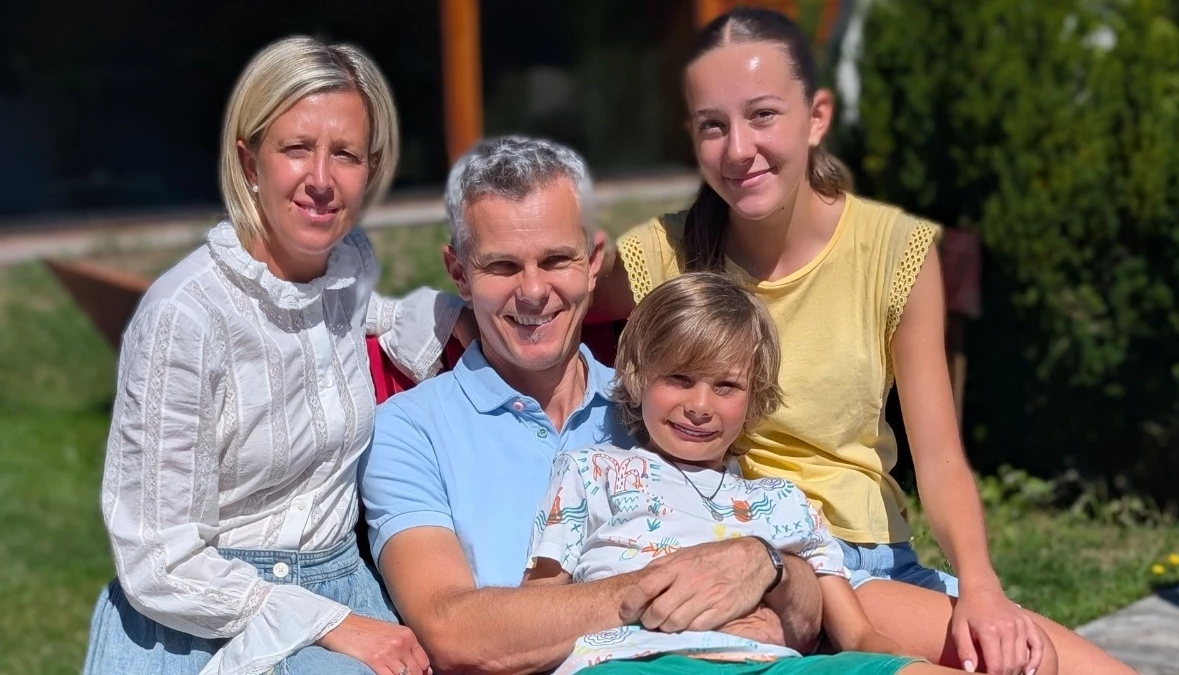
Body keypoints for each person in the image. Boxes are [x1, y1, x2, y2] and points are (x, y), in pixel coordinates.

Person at [588, 8, 1134, 675]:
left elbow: (939, 458)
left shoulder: (893, 250)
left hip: (880, 556)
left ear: (816, 117)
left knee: (1068, 665)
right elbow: (544, 294)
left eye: (763, 116)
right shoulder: (663, 254)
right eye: (714, 125)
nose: (737, 149)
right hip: (782, 564)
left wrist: (982, 589)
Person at [360, 136, 825, 675]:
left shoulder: (664, 405)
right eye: (502, 266)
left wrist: (766, 565)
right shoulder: (408, 428)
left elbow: (789, 594)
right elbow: (454, 633)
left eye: (557, 259)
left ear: (594, 260)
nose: (533, 291)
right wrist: (671, 590)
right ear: (460, 274)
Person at [83, 36, 465, 675]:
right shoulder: (186, 317)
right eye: (296, 148)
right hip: (211, 615)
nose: (321, 180)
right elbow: (157, 558)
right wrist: (333, 624)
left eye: (345, 154)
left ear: (370, 168)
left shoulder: (343, 266)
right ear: (249, 161)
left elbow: (360, 314)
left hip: (343, 584)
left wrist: (469, 315)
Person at [527, 271, 1005, 675]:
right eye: (679, 378)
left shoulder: (783, 502)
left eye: (726, 386)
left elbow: (857, 635)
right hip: (636, 660)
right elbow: (539, 607)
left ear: (755, 396)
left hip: (769, 664)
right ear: (636, 374)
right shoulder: (593, 471)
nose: (700, 405)